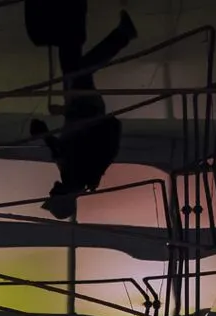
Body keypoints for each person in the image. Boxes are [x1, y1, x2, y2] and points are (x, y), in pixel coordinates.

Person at [30, 8, 138, 219]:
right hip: (85, 108)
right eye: (53, 196)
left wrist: (47, 130)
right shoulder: (83, 173)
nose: (50, 192)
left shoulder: (75, 176)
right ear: (65, 197)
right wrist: (45, 131)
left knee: (71, 63)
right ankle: (121, 35)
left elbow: (60, 147)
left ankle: (71, 20)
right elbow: (69, 145)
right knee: (78, 71)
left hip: (79, 108)